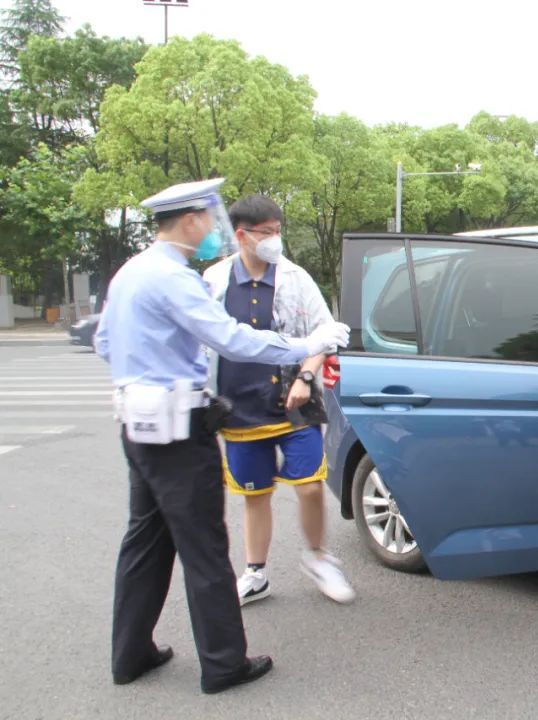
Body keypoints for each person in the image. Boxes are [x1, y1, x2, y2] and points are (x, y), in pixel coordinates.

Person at [94, 179, 350, 694]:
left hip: (138, 423)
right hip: (177, 427)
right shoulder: (177, 277)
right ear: (190, 221)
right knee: (205, 548)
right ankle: (224, 664)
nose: (214, 229)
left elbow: (104, 342)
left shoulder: (131, 272)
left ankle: (131, 653)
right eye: (209, 220)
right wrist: (306, 343)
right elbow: (231, 339)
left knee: (145, 541)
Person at [202, 195, 354, 606]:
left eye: (277, 231)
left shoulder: (295, 278)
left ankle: (318, 557)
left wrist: (306, 376)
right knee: (255, 495)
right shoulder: (214, 281)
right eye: (266, 232)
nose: (275, 239)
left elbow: (325, 334)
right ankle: (256, 573)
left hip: (294, 403)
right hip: (238, 407)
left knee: (310, 486)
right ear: (242, 235)